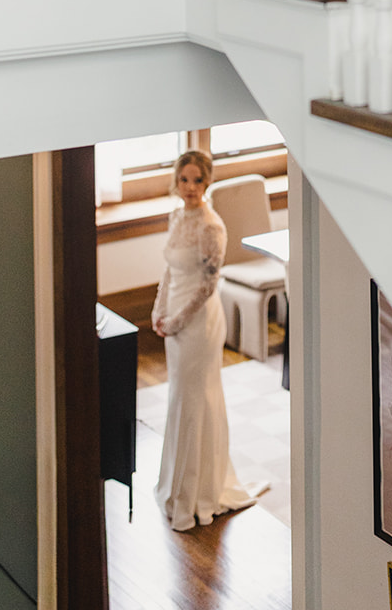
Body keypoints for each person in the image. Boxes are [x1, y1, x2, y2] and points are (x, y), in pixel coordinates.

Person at [152, 150, 263, 530]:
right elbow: (169, 270)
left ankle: (198, 495)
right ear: (176, 181)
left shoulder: (212, 226)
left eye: (197, 180)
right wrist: (158, 311)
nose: (190, 188)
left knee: (196, 399)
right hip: (173, 319)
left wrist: (179, 320)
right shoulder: (176, 216)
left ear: (208, 181)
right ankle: (174, 487)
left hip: (199, 323)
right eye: (184, 180)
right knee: (179, 398)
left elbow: (208, 284)